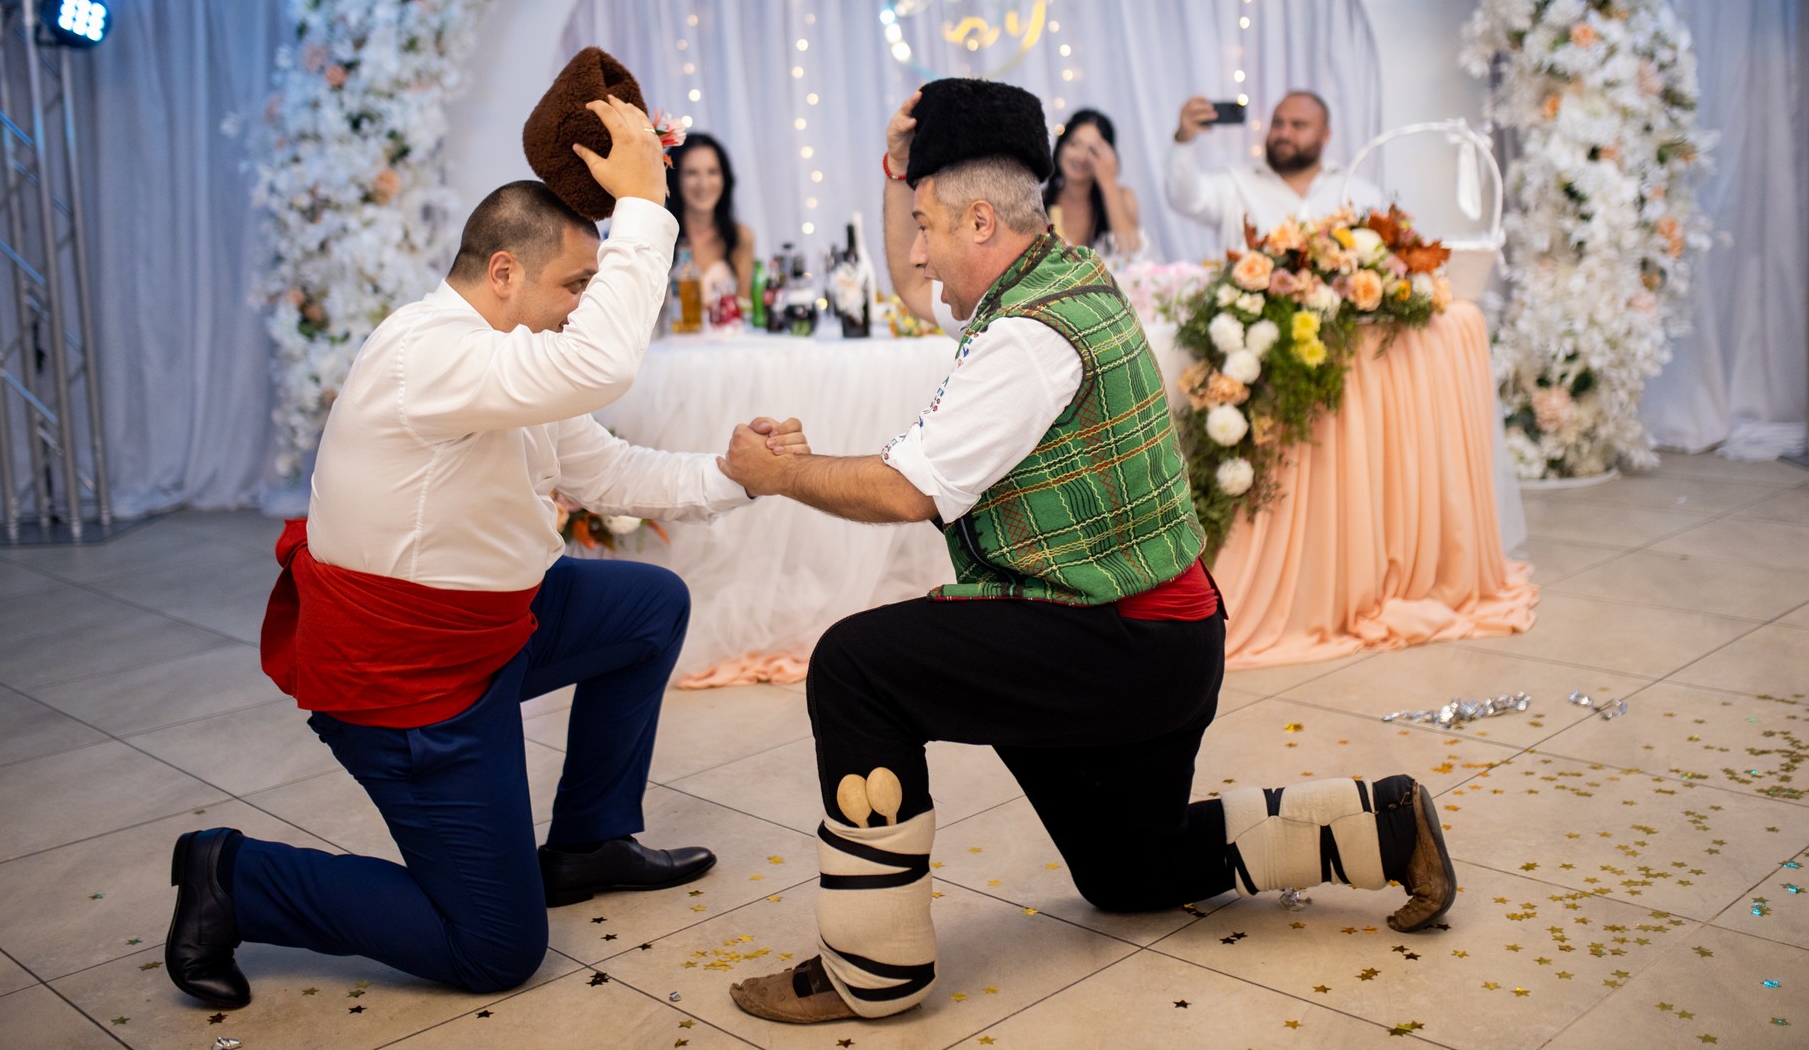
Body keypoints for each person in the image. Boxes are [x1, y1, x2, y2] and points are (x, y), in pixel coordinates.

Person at [715, 78, 1455, 1026]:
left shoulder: (1026, 337)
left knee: (855, 667)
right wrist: (901, 173)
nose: (918, 248)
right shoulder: (1055, 274)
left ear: (981, 220)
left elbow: (907, 489)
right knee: (1129, 871)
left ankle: (872, 968)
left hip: (1121, 641)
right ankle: (1385, 822)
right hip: (1163, 639)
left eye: (927, 223)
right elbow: (913, 286)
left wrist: (782, 473)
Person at [162, 87, 808, 1008]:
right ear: (504, 271)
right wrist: (643, 204)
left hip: (495, 629)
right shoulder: (425, 353)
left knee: (649, 605)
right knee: (497, 948)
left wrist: (737, 473)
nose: (581, 308)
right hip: (412, 678)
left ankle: (588, 840)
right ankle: (234, 876)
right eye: (574, 287)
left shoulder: (508, 363)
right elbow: (602, 362)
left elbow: (607, 470)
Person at [1165, 91, 1383, 258]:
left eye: (1298, 125)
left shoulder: (1359, 193)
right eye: (1278, 123)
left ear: (1325, 135)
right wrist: (1184, 139)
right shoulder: (1236, 183)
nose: (1284, 133)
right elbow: (1184, 198)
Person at [664, 131, 756, 303]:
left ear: (724, 178)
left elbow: (743, 307)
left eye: (712, 172)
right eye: (692, 173)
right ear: (675, 179)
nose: (703, 184)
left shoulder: (741, 237)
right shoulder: (659, 240)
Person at [1042, 107, 1142, 259]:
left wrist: (1108, 183)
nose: (1081, 156)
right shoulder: (1039, 202)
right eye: (1074, 144)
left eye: (1093, 150)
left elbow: (1132, 253)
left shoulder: (1123, 196)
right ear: (1061, 147)